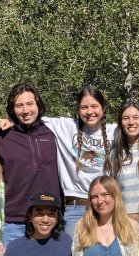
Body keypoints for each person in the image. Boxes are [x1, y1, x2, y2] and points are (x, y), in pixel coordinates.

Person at [0, 83, 61, 246]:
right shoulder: (1, 135)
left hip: (48, 220)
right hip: (13, 222)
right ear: (12, 109)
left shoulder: (52, 133)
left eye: (30, 104)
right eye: (19, 105)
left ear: (38, 105)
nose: (25, 110)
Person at [43, 87, 118, 235]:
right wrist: (9, 121)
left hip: (107, 207)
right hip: (76, 208)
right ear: (78, 110)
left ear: (103, 108)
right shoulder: (66, 127)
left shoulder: (115, 131)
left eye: (94, 106)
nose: (90, 112)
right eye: (84, 107)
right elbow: (31, 117)